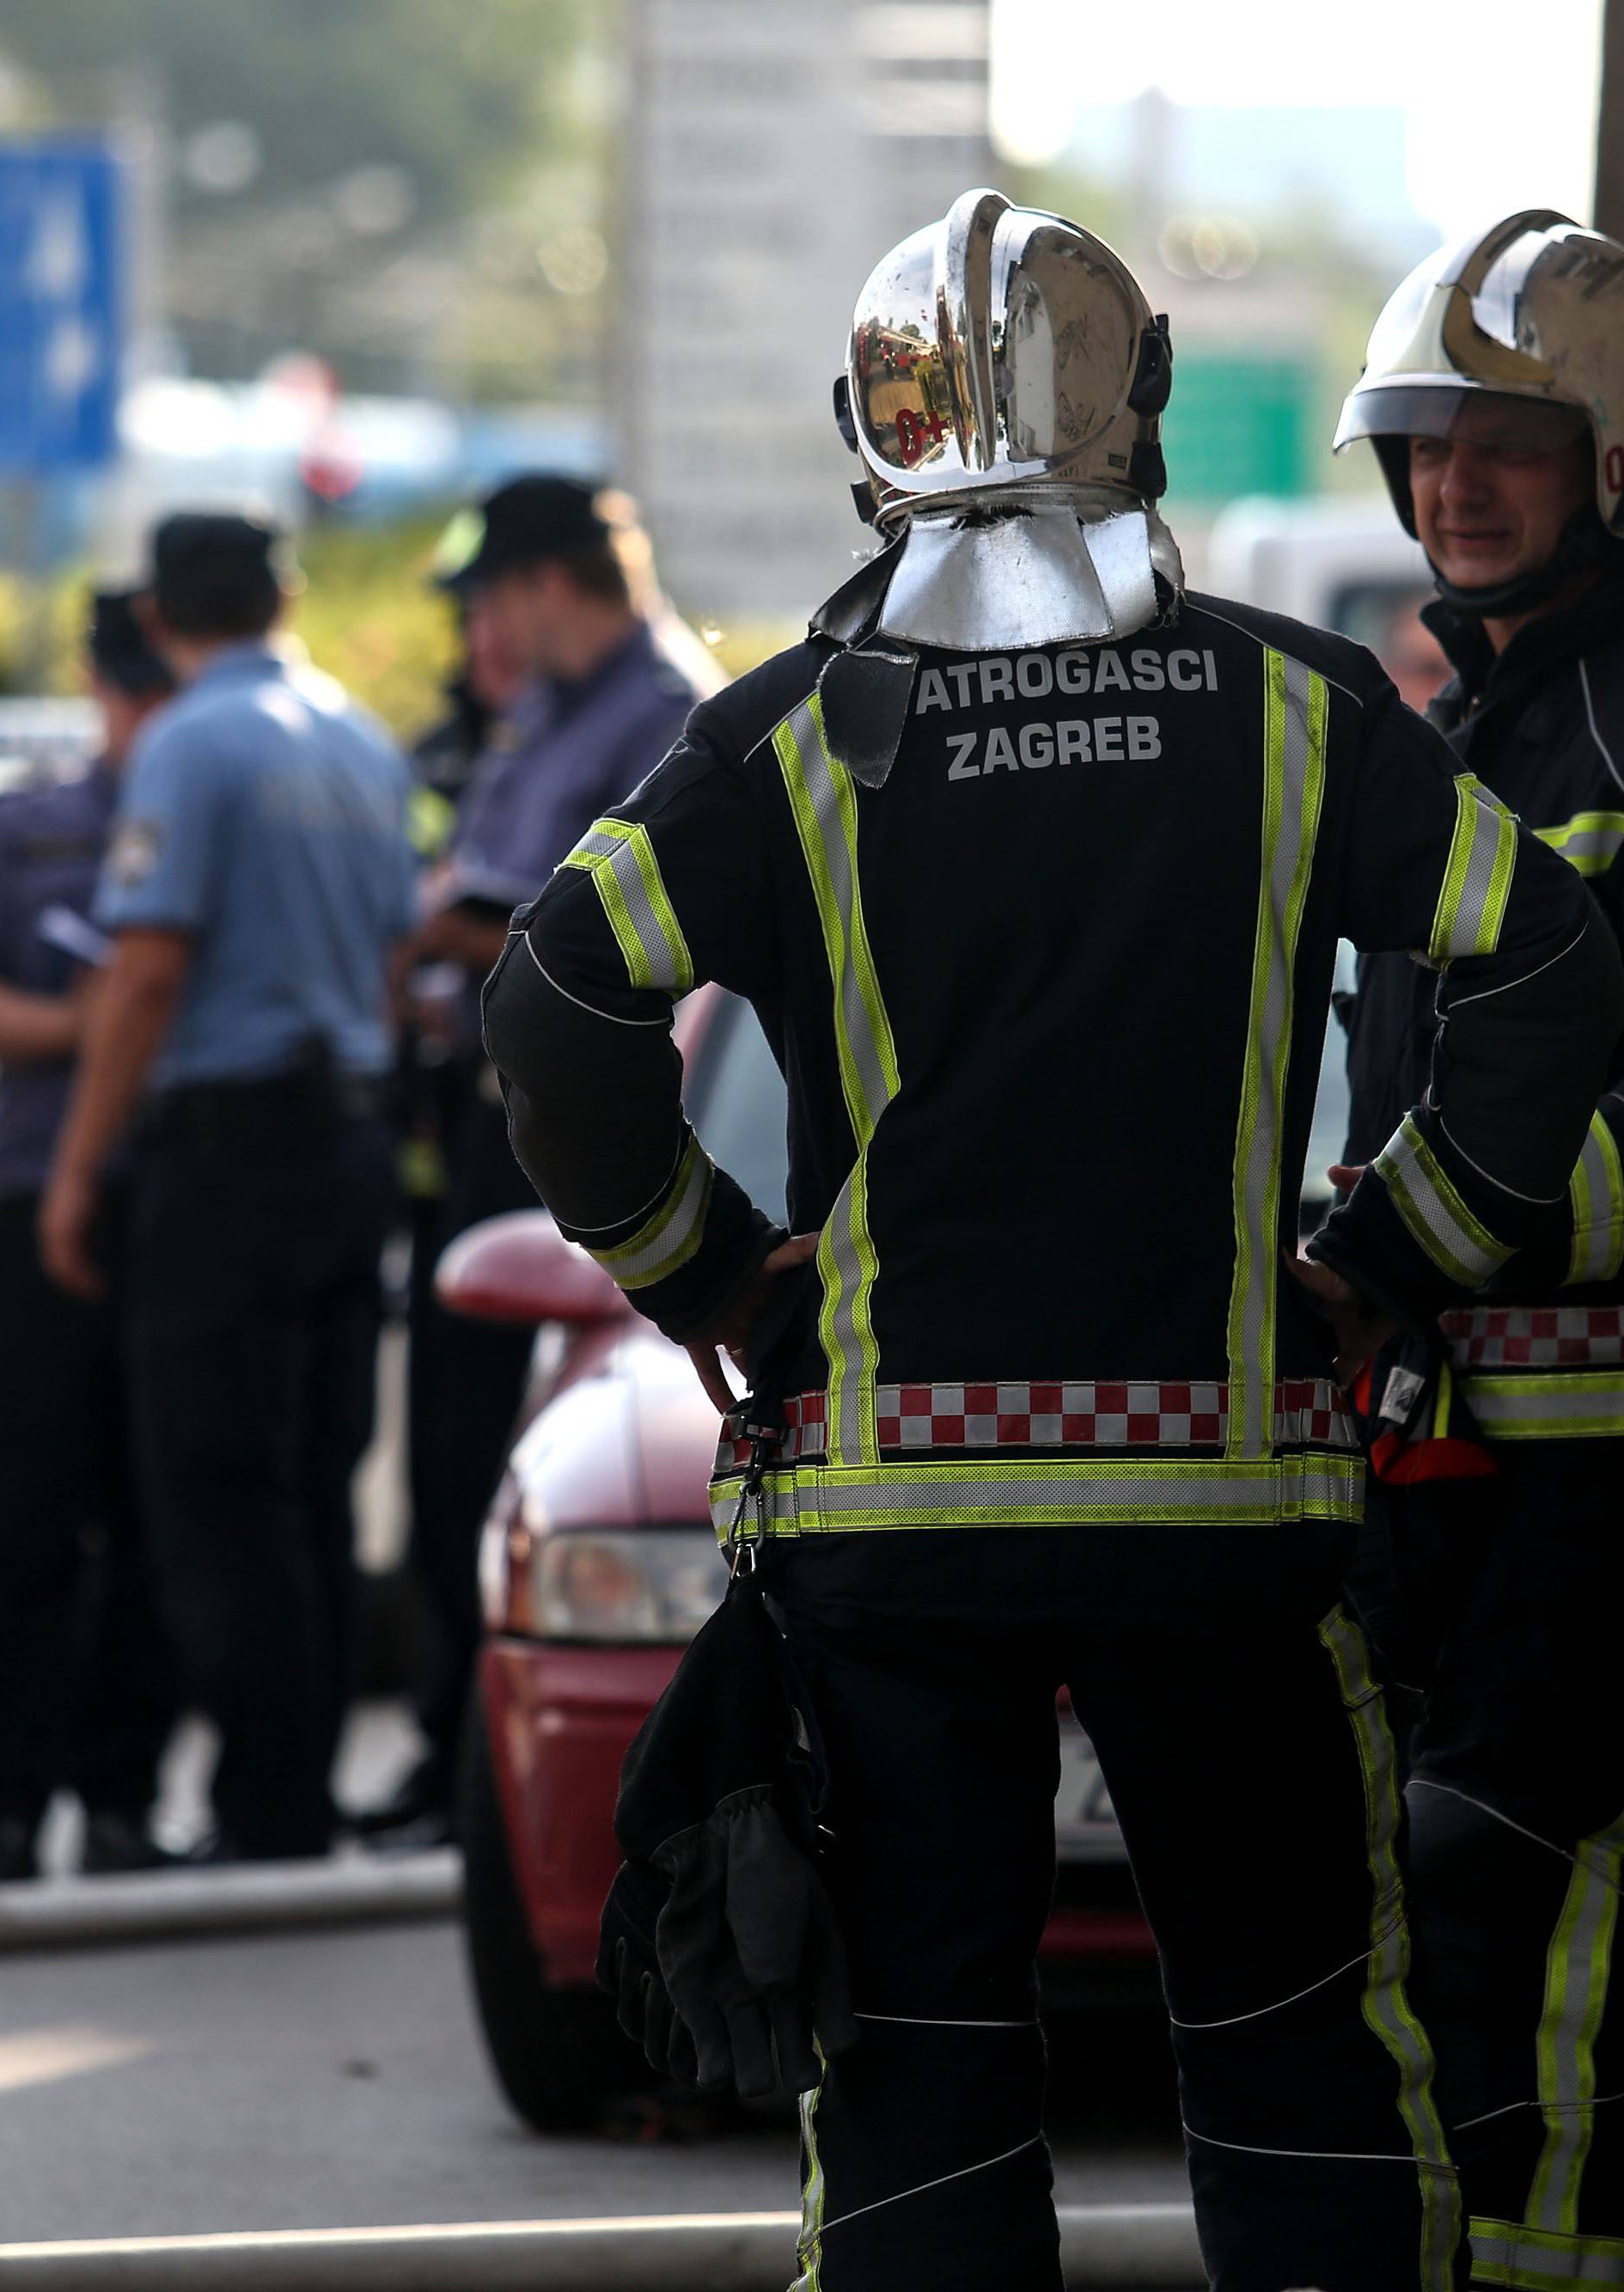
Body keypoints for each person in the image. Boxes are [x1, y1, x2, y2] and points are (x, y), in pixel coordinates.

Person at [480, 191, 1623, 2292]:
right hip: (1235, 1532)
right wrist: (1398, 1253)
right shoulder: (1303, 712)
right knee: (1303, 2077)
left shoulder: (789, 738)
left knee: (919, 2080)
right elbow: (1545, 959)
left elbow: (554, 1002)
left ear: (876, 430)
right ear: (1150, 407)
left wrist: (709, 1268)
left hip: (894, 1542)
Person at [1333, 211, 1624, 2289]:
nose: (1458, 484)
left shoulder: (1614, 725)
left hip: (1604, 1468)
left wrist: (1399, 1245)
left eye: (1506, 440)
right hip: (1475, 1457)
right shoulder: (1479, 729)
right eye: (1425, 446)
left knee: (1543, 1918)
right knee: (1452, 1928)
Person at [40, 514, 415, 1864]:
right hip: (346, 1138)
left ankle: (264, 1815)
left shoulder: (191, 743)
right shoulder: (360, 739)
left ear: (155, 617)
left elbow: (144, 972)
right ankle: (291, 1798)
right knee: (312, 1484)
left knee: (219, 1493)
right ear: (288, 593)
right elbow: (392, 958)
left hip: (228, 1157)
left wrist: (78, 1172)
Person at [361, 475, 717, 1844]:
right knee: (454, 1451)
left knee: (515, 1455)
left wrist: (447, 940)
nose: (490, 630)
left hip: (569, 1133)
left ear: (553, 585)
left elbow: (580, 935)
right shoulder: (556, 714)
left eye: (498, 597)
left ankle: (478, 1769)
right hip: (479, 1116)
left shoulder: (667, 714)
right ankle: (450, 1748)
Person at [0, 591, 179, 1882]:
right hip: (39, 1192)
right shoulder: (24, 828)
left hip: (169, 1200)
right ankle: (8, 1804)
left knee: (154, 1516)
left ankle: (120, 1801)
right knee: (20, 1518)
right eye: (134, 694)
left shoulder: (210, 808)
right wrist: (85, 1031)